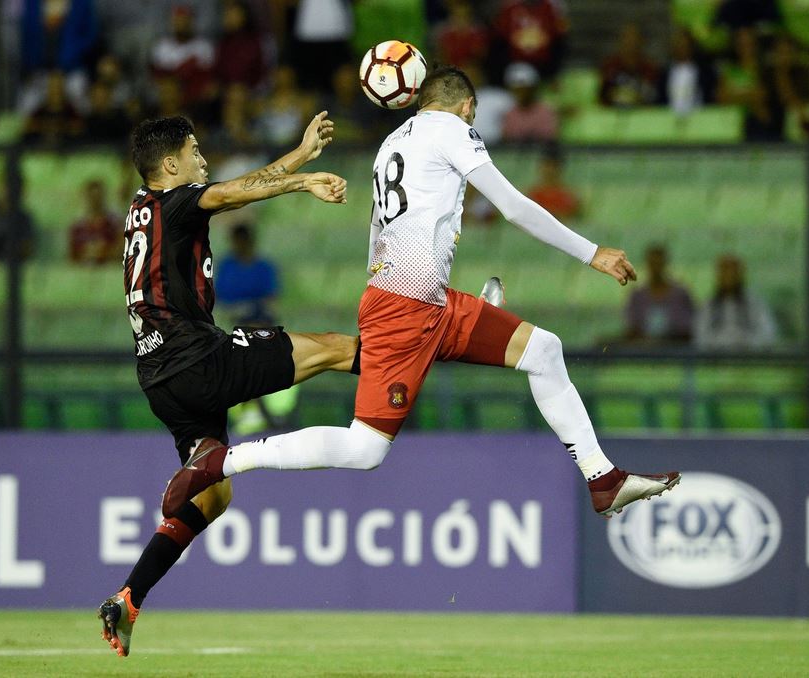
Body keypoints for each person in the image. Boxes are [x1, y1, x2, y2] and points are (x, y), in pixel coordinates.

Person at [161, 66, 680, 621]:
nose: (473, 128)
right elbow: (512, 206)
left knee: (544, 350)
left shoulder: (392, 143)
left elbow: (382, 236)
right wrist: (592, 252)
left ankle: (603, 478)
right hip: (409, 307)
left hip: (419, 299)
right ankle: (225, 462)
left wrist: (421, 315)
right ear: (463, 107)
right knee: (366, 450)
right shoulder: (449, 128)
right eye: (473, 118)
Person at [97, 112, 356, 656]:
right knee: (335, 348)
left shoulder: (143, 208)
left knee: (215, 497)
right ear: (171, 165)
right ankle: (442, 343)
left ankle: (130, 596)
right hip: (197, 357)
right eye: (195, 151)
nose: (203, 159)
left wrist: (300, 154)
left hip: (158, 378)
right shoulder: (180, 200)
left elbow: (233, 189)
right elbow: (233, 194)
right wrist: (301, 180)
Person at [694, 254, 777, 350]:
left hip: (748, 358)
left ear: (740, 275)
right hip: (716, 358)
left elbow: (767, 333)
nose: (729, 277)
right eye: (725, 272)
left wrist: (746, 344)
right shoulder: (708, 305)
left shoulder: (754, 304)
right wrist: (720, 344)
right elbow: (700, 336)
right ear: (718, 276)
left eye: (733, 272)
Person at [623, 244, 695, 345]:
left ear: (665, 264)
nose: (656, 268)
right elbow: (631, 328)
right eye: (653, 264)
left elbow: (688, 329)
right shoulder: (637, 296)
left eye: (659, 263)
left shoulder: (680, 294)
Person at [215, 222, 279, 327]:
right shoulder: (225, 266)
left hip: (257, 313)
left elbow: (270, 297)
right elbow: (218, 295)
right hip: (230, 312)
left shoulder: (264, 267)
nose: (241, 245)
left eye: (243, 240)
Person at [599, 23, 659, 108]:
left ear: (641, 41)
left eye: (634, 38)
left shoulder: (650, 68)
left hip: (643, 115)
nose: (630, 42)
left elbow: (655, 98)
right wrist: (614, 95)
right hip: (613, 115)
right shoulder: (610, 66)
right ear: (620, 41)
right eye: (626, 37)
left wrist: (638, 97)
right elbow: (601, 96)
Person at [500, 62, 558, 143]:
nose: (521, 93)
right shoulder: (510, 112)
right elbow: (506, 139)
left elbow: (549, 138)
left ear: (533, 89)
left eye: (524, 89)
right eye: (517, 89)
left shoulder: (546, 111)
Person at [68, 179, 122, 264]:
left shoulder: (114, 225)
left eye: (98, 197)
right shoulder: (78, 228)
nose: (95, 201)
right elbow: (71, 256)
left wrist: (103, 252)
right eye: (92, 197)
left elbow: (121, 252)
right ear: (86, 198)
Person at [527, 148, 581, 220]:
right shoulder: (531, 196)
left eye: (553, 166)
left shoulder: (570, 198)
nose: (550, 170)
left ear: (560, 168)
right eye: (547, 165)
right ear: (541, 167)